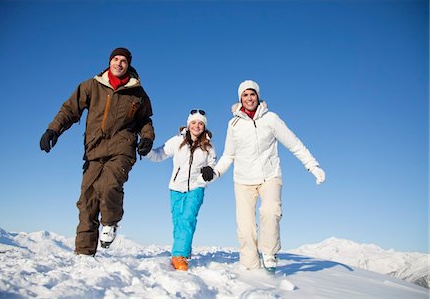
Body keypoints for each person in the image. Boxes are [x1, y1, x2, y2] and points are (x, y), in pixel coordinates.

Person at [40, 47, 155, 256]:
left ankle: (110, 223)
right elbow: (70, 110)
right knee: (87, 200)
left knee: (109, 185)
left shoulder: (137, 92)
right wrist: (53, 130)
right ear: (110, 61)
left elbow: (145, 121)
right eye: (116, 59)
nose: (119, 64)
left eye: (123, 61)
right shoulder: (92, 86)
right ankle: (84, 254)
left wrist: (147, 138)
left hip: (122, 148)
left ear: (128, 65)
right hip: (94, 150)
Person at [209, 80, 326, 273]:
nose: (249, 98)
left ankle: (270, 253)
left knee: (270, 211)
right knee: (246, 229)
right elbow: (228, 155)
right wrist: (214, 173)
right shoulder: (234, 124)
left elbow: (294, 144)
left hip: (269, 175)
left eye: (252, 94)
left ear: (258, 96)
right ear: (240, 98)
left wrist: (312, 165)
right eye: (245, 95)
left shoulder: (271, 119)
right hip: (243, 180)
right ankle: (251, 268)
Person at [145, 109, 216, 271]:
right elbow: (159, 155)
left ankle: (179, 256)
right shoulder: (177, 141)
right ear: (188, 124)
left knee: (187, 219)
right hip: (176, 187)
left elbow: (212, 164)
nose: (196, 126)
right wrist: (147, 151)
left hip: (196, 187)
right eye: (193, 122)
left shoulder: (209, 146)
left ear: (204, 126)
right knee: (178, 222)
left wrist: (209, 171)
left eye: (200, 123)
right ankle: (185, 250)